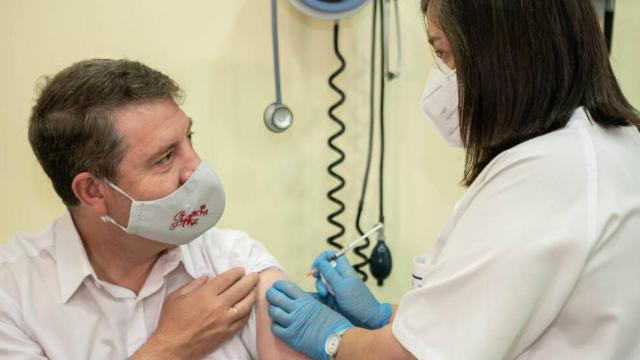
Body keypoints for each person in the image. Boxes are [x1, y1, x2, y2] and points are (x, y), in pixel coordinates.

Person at [266, 0, 640, 359]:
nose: (442, 80)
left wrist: (332, 338)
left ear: (501, 52)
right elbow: (473, 323)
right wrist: (381, 318)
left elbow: (419, 356)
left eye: (444, 53)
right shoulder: (614, 143)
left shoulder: (549, 171)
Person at [0, 59, 306, 360]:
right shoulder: (12, 294)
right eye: (165, 157)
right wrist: (171, 346)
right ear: (93, 191)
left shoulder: (235, 262)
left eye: (189, 138)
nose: (195, 167)